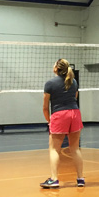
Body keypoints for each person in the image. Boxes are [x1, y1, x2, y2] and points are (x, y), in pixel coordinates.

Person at [40, 59, 84, 188]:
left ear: (56, 68)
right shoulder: (73, 81)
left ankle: (54, 179)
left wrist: (49, 120)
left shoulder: (50, 84)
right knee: (75, 149)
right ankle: (80, 178)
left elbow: (45, 107)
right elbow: (74, 97)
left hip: (60, 115)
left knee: (54, 149)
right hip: (75, 113)